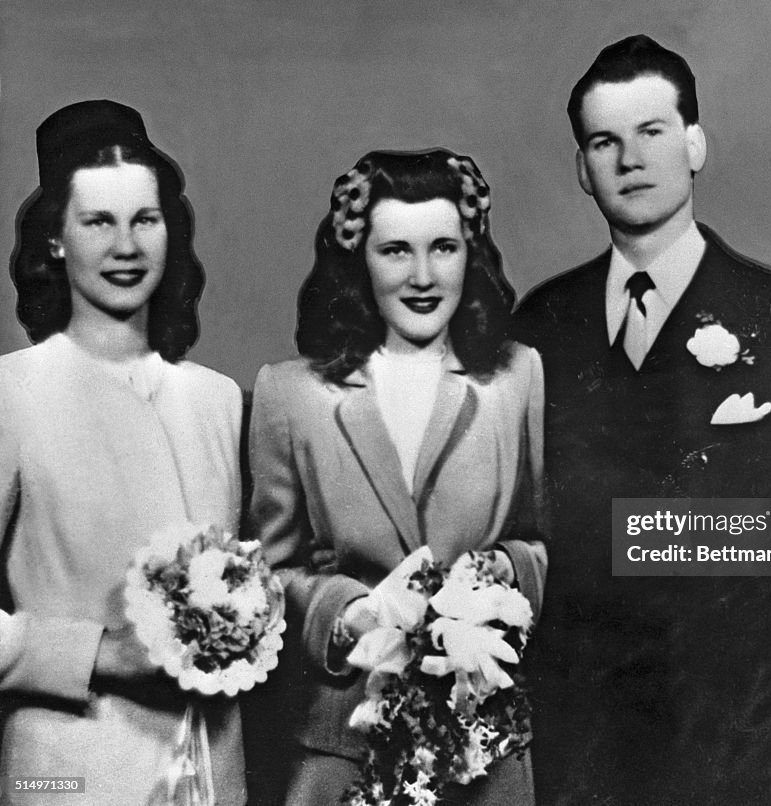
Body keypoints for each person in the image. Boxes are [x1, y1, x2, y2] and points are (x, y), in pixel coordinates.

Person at [512, 35, 771, 805]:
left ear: (694, 144)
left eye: (651, 133)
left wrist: (633, 533)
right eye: (603, 142)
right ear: (582, 171)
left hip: (738, 728)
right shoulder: (539, 323)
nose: (629, 160)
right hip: (580, 733)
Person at [247, 149, 547, 805]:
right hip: (342, 748)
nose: (422, 275)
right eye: (395, 251)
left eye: (443, 248)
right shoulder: (289, 394)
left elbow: (547, 539)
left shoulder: (517, 376)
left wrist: (504, 575)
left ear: (471, 254)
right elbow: (271, 575)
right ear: (359, 260)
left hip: (484, 749)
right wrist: (349, 614)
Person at [0, 100, 245, 804]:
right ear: (54, 239)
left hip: (211, 772)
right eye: (98, 222)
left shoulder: (217, 400)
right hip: (67, 778)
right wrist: (99, 654)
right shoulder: (13, 393)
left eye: (145, 219)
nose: (127, 246)